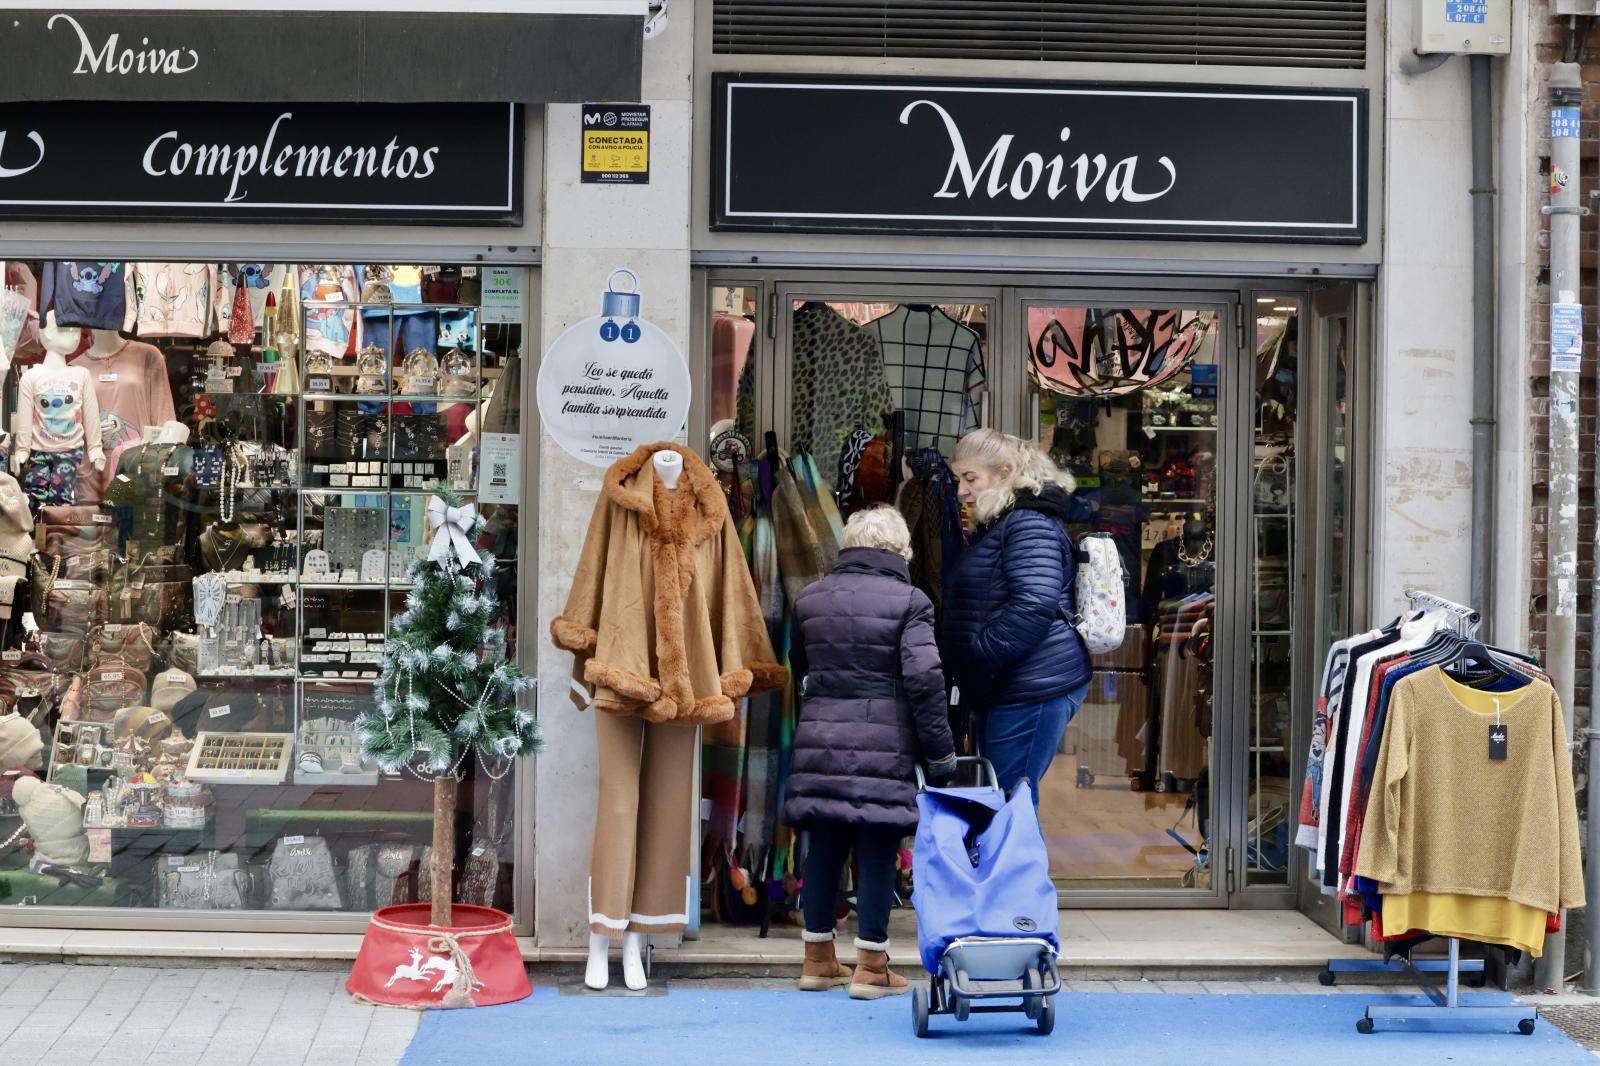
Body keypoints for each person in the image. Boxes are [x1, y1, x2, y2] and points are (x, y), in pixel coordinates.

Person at [784, 506, 957, 1000]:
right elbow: (925, 680)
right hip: (886, 740)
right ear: (899, 550)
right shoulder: (910, 601)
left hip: (821, 736)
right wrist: (941, 755)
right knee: (878, 848)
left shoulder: (811, 598)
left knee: (825, 844)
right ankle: (871, 967)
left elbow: (803, 669)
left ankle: (817, 961)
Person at [943, 428, 1091, 803]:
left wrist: (977, 656)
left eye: (970, 478)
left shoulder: (1028, 525)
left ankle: (1017, 866)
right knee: (1006, 805)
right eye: (959, 478)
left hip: (1032, 685)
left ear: (1004, 472)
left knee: (1010, 809)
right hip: (1016, 683)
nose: (961, 490)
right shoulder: (1010, 523)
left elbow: (1032, 606)